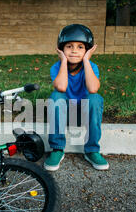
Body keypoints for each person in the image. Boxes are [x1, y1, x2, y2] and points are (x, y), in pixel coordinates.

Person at [44, 24, 109, 171]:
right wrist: (64, 62)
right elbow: (61, 87)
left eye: (80, 47)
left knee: (95, 98)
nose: (74, 50)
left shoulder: (92, 66)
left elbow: (93, 89)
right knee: (56, 97)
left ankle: (92, 150)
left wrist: (86, 61)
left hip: (85, 113)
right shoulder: (57, 67)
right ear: (61, 49)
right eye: (69, 46)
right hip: (64, 114)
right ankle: (57, 149)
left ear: (87, 50)